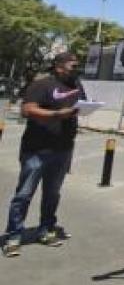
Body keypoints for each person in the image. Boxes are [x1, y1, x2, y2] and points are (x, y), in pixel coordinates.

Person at [2, 53, 83, 257]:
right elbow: (27, 110)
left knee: (52, 194)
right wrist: (57, 115)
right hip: (36, 150)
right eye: (73, 66)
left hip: (63, 150)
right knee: (23, 195)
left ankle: (46, 230)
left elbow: (78, 108)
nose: (76, 69)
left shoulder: (76, 85)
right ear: (59, 67)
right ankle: (13, 236)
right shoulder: (42, 85)